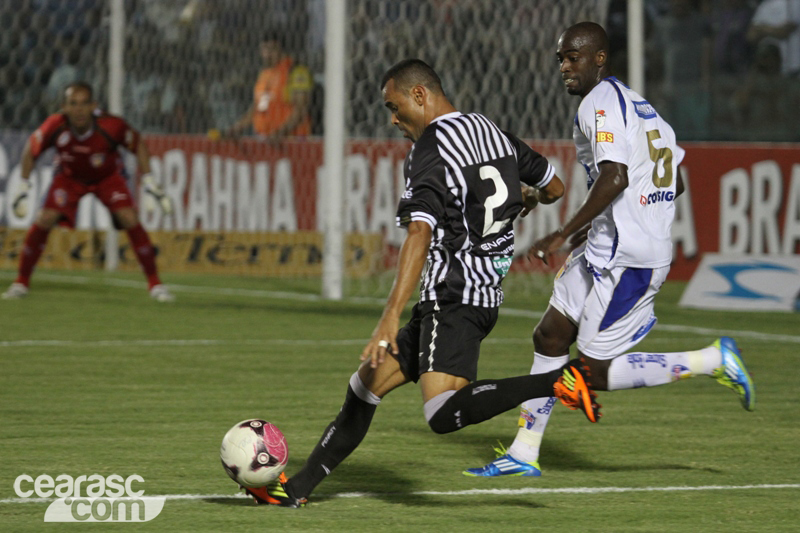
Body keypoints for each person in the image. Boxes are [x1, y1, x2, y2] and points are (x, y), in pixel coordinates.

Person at [241, 59, 595, 508]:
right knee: (364, 386)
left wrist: (389, 316)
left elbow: (419, 233)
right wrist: (525, 197)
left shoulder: (430, 150)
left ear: (421, 96)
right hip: (474, 297)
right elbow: (556, 187)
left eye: (394, 106)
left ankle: (559, 381)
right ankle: (296, 490)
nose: (392, 119)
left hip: (455, 296)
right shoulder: (490, 130)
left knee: (442, 414)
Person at [465, 22, 755, 478]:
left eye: (573, 57)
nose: (564, 67)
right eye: (561, 58)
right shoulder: (640, 106)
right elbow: (673, 180)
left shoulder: (598, 103)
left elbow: (615, 176)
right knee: (550, 335)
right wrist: (605, 222)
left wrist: (563, 232)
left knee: (594, 374)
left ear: (599, 58)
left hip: (629, 258)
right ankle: (523, 452)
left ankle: (712, 360)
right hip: (610, 245)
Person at [2, 82, 175, 302]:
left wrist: (149, 180)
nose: (79, 110)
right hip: (69, 177)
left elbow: (137, 143)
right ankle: (21, 283)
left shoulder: (111, 126)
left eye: (85, 103)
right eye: (73, 104)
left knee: (129, 217)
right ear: (64, 107)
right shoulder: (55, 126)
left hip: (107, 177)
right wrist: (23, 186)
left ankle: (156, 284)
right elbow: (31, 148)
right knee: (45, 218)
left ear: (94, 105)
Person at [225, 31, 313, 142]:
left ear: (281, 49)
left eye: (272, 49)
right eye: (264, 49)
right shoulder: (265, 74)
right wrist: (238, 127)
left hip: (293, 141)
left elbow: (301, 109)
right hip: (267, 140)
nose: (267, 54)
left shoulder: (296, 71)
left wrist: (280, 133)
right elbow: (261, 106)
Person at [747, 0, 800, 78]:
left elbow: (784, 32)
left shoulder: (796, 3)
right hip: (767, 68)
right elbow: (751, 36)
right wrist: (772, 30)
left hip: (793, 67)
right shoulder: (765, 5)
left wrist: (762, 29)